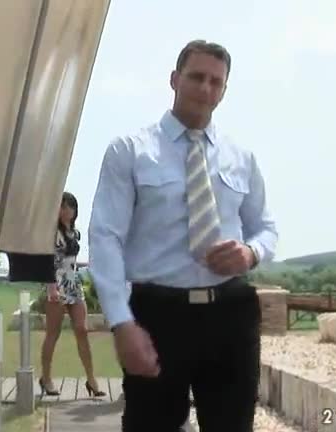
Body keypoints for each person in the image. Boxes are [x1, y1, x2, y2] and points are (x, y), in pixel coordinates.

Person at [88, 40, 279, 431]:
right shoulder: (130, 151)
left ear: (224, 91)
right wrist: (122, 324)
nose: (205, 88)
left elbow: (266, 228)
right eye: (196, 77)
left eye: (216, 82)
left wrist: (250, 253)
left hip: (230, 314)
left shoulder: (241, 158)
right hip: (159, 317)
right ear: (175, 79)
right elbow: (105, 238)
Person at [38, 191, 106, 398]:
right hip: (56, 282)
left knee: (82, 330)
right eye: (63, 206)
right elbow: (47, 261)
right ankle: (46, 378)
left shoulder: (75, 233)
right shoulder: (52, 233)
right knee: (53, 333)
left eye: (70, 206)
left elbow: (74, 261)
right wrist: (51, 287)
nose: (67, 210)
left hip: (73, 282)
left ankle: (91, 379)